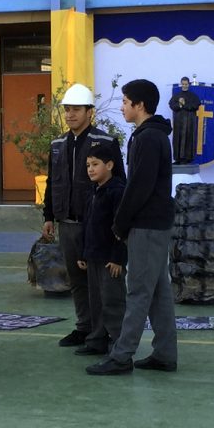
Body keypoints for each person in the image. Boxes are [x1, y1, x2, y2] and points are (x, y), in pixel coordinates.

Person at [86, 79, 177, 376]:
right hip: (154, 223)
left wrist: (120, 223)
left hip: (147, 225)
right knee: (159, 291)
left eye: (126, 101)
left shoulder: (149, 138)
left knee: (138, 291)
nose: (122, 106)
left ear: (139, 105)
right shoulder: (148, 136)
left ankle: (122, 355)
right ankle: (164, 353)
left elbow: (139, 186)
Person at [42, 83, 125, 348]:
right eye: (67, 110)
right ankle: (84, 327)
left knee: (100, 283)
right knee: (76, 280)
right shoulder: (57, 145)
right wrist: (48, 216)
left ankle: (103, 333)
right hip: (67, 223)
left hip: (98, 226)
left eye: (76, 109)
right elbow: (52, 183)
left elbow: (119, 184)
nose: (70, 115)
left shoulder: (105, 143)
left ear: (90, 112)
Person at [74, 146, 127, 357]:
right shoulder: (93, 191)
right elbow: (86, 224)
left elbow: (122, 228)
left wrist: (118, 258)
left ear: (110, 165)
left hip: (109, 259)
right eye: (88, 165)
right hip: (93, 255)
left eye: (95, 164)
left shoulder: (117, 191)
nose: (90, 169)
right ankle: (97, 340)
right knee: (95, 300)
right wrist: (82, 253)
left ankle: (120, 343)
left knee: (113, 300)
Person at [168, 76, 201, 165]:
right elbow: (171, 105)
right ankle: (178, 158)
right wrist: (180, 105)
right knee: (178, 139)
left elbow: (196, 105)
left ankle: (187, 158)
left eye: (186, 84)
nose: (184, 86)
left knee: (188, 139)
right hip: (178, 122)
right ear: (181, 84)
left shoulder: (193, 96)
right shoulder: (177, 96)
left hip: (190, 122)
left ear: (189, 84)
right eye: (183, 84)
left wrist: (184, 104)